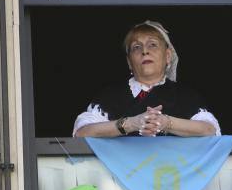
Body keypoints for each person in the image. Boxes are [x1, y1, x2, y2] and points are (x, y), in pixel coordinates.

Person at [73, 20, 220, 138]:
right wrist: (131, 123)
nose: (145, 51)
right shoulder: (110, 96)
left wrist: (165, 122)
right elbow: (81, 133)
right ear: (129, 62)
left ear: (167, 56)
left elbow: (210, 130)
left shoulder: (185, 96)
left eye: (153, 45)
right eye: (137, 47)